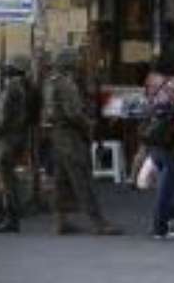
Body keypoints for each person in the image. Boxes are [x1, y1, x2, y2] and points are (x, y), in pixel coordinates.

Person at [42, 48, 122, 236]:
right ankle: (98, 222)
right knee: (82, 179)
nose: (80, 64)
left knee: (61, 180)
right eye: (77, 61)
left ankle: (60, 221)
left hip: (57, 134)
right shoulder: (66, 84)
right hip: (71, 135)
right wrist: (89, 125)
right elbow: (74, 113)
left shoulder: (50, 82)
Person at [0, 54, 35, 233]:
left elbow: (3, 117)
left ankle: (11, 218)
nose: (5, 70)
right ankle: (11, 215)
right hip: (18, 136)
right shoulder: (25, 87)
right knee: (9, 178)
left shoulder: (12, 88)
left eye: (8, 67)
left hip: (8, 138)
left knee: (7, 179)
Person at [143, 55, 174, 239]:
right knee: (167, 182)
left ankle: (169, 219)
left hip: (154, 133)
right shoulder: (173, 83)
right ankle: (159, 226)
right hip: (169, 135)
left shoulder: (150, 80)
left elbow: (148, 101)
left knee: (166, 177)